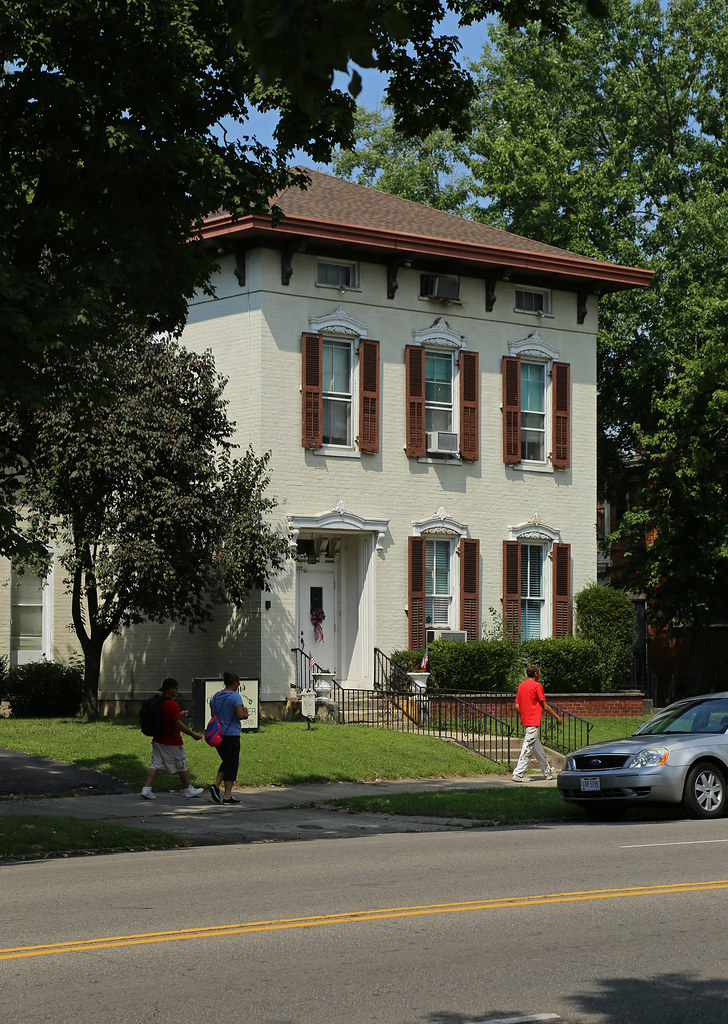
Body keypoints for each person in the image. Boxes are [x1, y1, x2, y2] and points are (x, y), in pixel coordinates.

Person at [140, 678, 204, 799]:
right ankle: (188, 789)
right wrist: (192, 734)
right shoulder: (172, 704)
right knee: (182, 764)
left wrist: (179, 715)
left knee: (155, 764)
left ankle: (146, 788)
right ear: (169, 689)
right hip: (172, 741)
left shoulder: (159, 702)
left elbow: (166, 718)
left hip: (158, 739)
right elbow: (177, 723)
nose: (177, 690)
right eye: (175, 688)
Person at [512, 664, 562, 783]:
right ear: (536, 674)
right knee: (528, 747)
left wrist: (524, 713)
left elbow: (517, 705)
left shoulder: (521, 685)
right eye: (539, 672)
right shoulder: (537, 686)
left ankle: (547, 771)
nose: (539, 674)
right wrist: (557, 717)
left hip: (526, 720)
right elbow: (544, 706)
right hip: (533, 720)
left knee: (536, 747)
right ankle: (518, 773)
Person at [209, 671, 248, 805]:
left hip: (218, 734)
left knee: (227, 761)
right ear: (235, 683)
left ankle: (216, 786)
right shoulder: (235, 697)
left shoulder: (215, 697)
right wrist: (245, 714)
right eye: (238, 683)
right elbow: (240, 715)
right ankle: (227, 796)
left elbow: (213, 715)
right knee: (231, 764)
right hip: (231, 734)